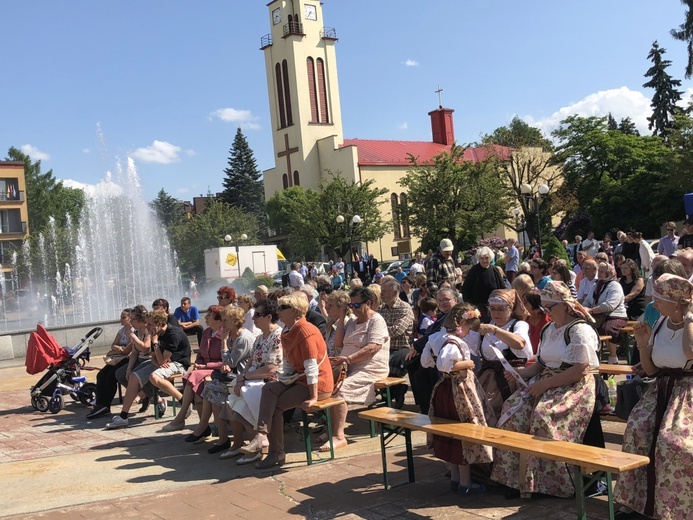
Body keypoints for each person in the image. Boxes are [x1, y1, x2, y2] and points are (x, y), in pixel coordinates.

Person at [491, 281, 599, 498]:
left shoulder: (579, 330)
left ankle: (551, 483)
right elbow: (541, 363)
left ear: (566, 306)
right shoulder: (549, 329)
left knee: (543, 417)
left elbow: (579, 370)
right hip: (546, 382)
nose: (546, 312)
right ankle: (515, 479)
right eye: (544, 308)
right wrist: (519, 373)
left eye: (550, 307)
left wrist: (544, 384)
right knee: (513, 411)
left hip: (571, 385)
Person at [613, 274, 693, 519]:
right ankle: (638, 501)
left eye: (659, 298)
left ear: (677, 302)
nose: (653, 303)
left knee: (673, 443)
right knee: (637, 429)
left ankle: (675, 508)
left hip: (687, 393)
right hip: (661, 389)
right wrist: (643, 344)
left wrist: (689, 316)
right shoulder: (660, 322)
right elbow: (650, 370)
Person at [239, 293, 333, 469]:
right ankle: (261, 435)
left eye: (283, 308)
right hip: (299, 380)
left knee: (276, 405)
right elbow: (289, 364)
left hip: (317, 383)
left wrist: (313, 397)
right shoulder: (287, 331)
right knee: (269, 390)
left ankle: (276, 453)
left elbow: (312, 367)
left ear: (296, 311)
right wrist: (282, 383)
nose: (279, 311)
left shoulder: (306, 330)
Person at [421, 303, 494, 495]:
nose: (469, 333)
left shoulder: (438, 338)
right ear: (462, 323)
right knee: (463, 434)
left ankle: (455, 478)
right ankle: (465, 483)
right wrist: (467, 363)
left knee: (450, 433)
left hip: (445, 390)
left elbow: (425, 360)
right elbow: (443, 364)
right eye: (469, 328)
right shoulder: (452, 342)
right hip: (458, 390)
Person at [325, 287, 390, 451]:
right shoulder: (353, 321)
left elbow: (373, 348)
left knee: (338, 390)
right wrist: (341, 316)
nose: (352, 309)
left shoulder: (376, 321)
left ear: (368, 303)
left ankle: (338, 436)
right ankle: (331, 430)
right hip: (348, 366)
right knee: (323, 386)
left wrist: (348, 359)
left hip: (370, 368)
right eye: (350, 305)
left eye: (355, 305)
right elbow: (339, 343)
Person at [220, 299, 283, 464]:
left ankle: (257, 445)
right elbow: (250, 362)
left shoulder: (278, 336)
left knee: (240, 402)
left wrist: (244, 378)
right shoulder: (261, 337)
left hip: (270, 381)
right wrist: (242, 378)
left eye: (257, 315)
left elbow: (271, 369)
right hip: (253, 379)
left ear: (269, 317)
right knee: (232, 400)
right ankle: (252, 443)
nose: (253, 319)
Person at [106, 310, 191, 429]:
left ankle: (183, 400)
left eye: (150, 324)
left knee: (149, 377)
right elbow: (154, 359)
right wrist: (157, 360)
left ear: (160, 324)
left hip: (178, 364)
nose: (147, 326)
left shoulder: (173, 334)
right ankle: (123, 417)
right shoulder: (155, 332)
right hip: (164, 363)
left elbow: (162, 360)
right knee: (133, 377)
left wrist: (155, 343)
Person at [188, 306, 254, 447]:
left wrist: (223, 342)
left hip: (244, 379)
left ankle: (207, 429)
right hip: (234, 375)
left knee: (211, 389)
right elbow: (229, 362)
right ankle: (221, 437)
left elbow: (230, 361)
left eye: (225, 320)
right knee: (212, 392)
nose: (222, 323)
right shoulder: (233, 335)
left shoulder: (242, 338)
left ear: (235, 321)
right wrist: (226, 363)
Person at [468, 289, 532, 419]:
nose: (496, 313)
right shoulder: (486, 326)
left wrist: (494, 330)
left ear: (511, 308)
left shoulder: (518, 325)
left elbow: (519, 343)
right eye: (492, 308)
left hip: (511, 376)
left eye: (501, 309)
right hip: (487, 377)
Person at [162, 305, 225, 432]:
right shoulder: (207, 332)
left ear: (218, 320)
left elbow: (226, 361)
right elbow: (201, 353)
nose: (205, 317)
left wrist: (205, 366)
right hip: (203, 370)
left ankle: (183, 417)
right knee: (196, 392)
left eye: (209, 315)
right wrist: (198, 364)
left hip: (218, 370)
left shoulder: (225, 335)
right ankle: (202, 427)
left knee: (192, 377)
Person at [406, 287, 458, 414]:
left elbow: (434, 334)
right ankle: (427, 409)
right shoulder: (441, 315)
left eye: (446, 300)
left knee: (423, 375)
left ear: (455, 300)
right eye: (439, 300)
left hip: (449, 357)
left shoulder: (456, 315)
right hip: (434, 353)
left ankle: (430, 410)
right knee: (413, 367)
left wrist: (416, 346)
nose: (442, 303)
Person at [87, 308, 133, 419]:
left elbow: (127, 350)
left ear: (130, 318)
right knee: (101, 375)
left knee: (110, 377)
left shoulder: (133, 331)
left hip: (128, 359)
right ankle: (100, 404)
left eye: (123, 317)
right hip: (117, 358)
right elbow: (113, 345)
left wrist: (118, 348)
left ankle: (106, 405)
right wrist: (118, 348)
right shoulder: (122, 330)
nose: (121, 320)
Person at [378, 276, 414, 409]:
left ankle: (394, 393)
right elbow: (374, 329)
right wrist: (387, 328)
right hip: (384, 347)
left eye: (385, 291)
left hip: (403, 348)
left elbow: (397, 331)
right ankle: (390, 394)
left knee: (391, 361)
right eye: (381, 291)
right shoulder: (381, 309)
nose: (381, 294)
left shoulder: (405, 308)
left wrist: (383, 329)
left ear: (394, 292)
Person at [584, 262, 628, 364]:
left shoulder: (615, 285)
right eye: (599, 271)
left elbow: (610, 305)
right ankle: (591, 357)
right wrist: (584, 307)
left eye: (602, 271)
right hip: (598, 315)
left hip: (615, 315)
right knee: (585, 328)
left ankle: (613, 357)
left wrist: (591, 310)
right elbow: (587, 301)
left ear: (609, 273)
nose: (599, 273)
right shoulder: (596, 285)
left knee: (607, 329)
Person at [461, 246, 506, 323]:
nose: (484, 260)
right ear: (478, 259)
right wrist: (470, 306)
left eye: (487, 258)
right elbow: (465, 289)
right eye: (482, 258)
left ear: (490, 258)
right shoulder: (474, 270)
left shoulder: (495, 270)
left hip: (495, 306)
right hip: (478, 307)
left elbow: (502, 287)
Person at [322, 290, 356, 357]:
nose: (326, 307)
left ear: (341, 307)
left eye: (330, 305)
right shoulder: (330, 324)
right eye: (327, 304)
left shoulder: (348, 323)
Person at [522, 290, 550, 355]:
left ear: (537, 309)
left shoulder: (548, 323)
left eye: (525, 303)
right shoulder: (524, 321)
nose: (521, 305)